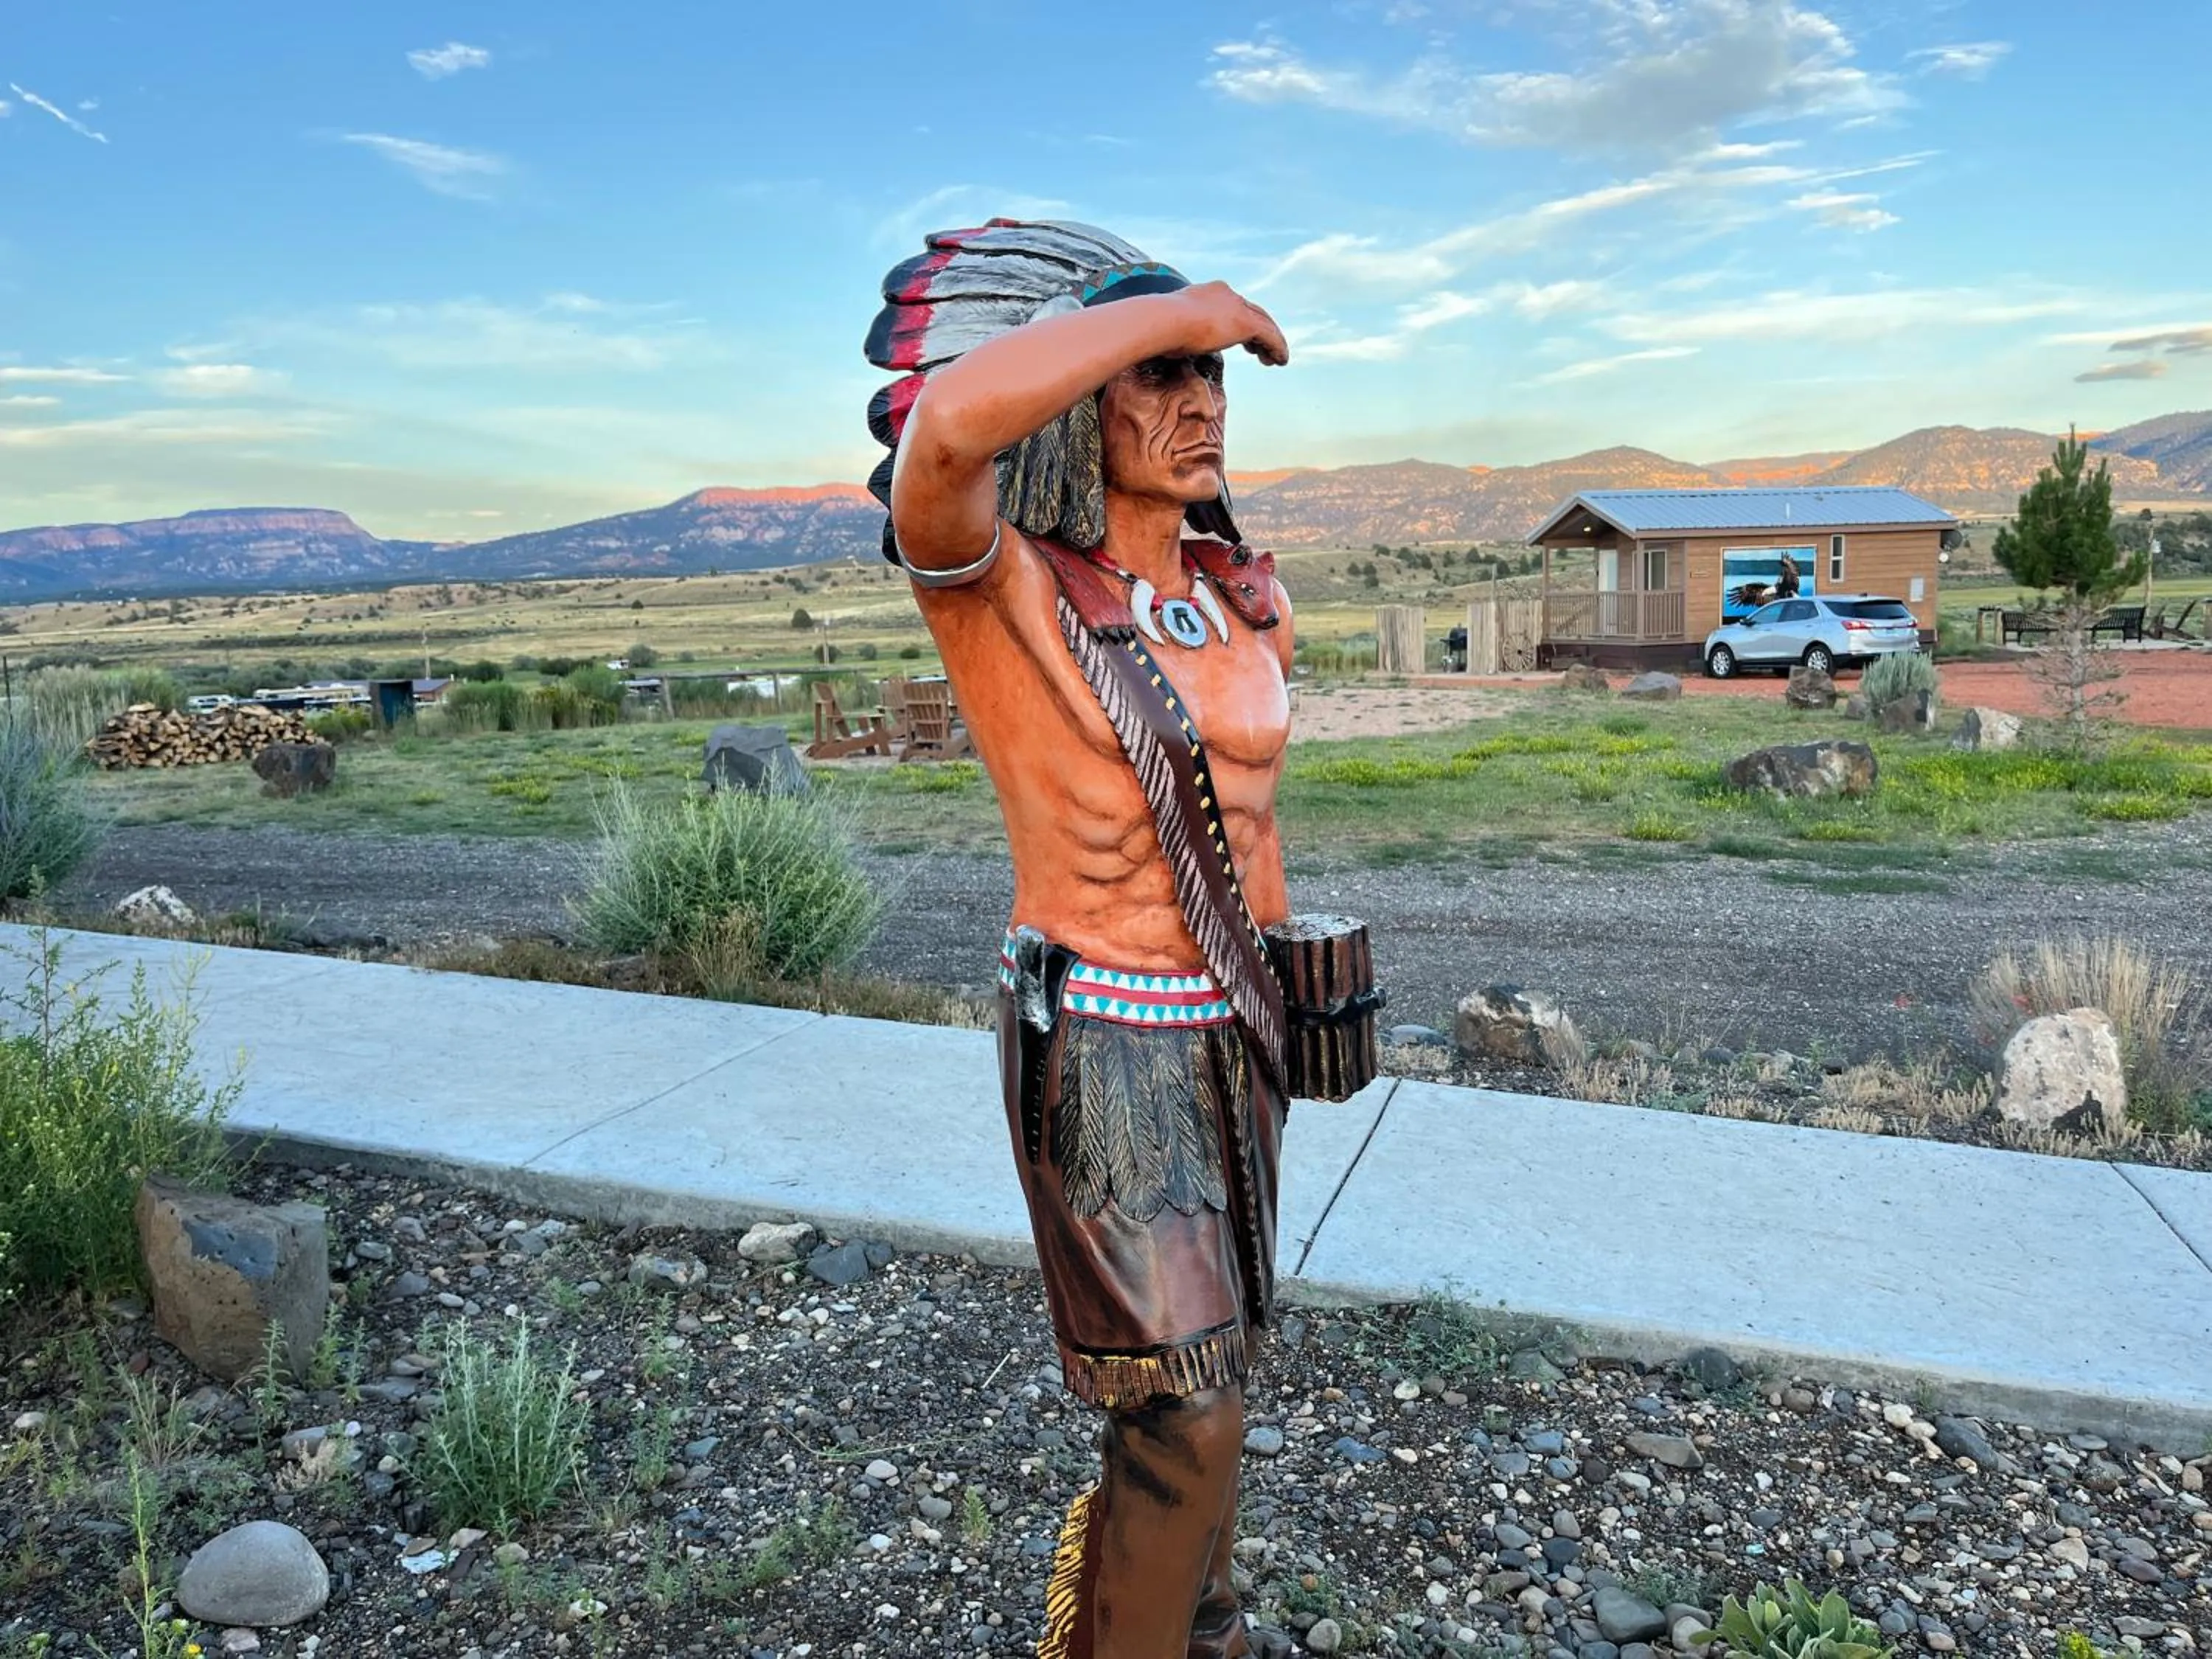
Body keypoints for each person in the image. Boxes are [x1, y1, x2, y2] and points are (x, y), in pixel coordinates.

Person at [863, 220, 1296, 1658]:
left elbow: (1258, 836)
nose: (1202, 401)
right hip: (1102, 1035)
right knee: (1189, 1420)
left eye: (1214, 374)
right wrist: (1186, 302)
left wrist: (1293, 1007)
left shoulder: (1240, 595)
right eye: (1158, 373)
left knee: (1215, 1380)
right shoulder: (1007, 586)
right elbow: (940, 437)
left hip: (1237, 1037)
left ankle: (1187, 1628)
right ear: (1078, 395)